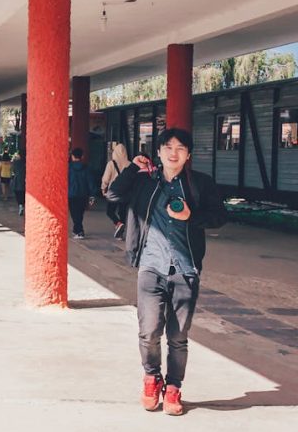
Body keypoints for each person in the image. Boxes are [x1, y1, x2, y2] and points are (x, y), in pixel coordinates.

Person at [106, 128, 227, 416]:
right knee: (149, 331)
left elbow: (220, 216)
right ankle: (152, 377)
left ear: (188, 154)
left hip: (185, 268)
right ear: (159, 152)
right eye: (168, 147)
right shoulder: (144, 181)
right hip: (151, 266)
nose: (174, 153)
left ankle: (173, 387)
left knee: (178, 336)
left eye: (180, 148)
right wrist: (132, 169)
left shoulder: (200, 183)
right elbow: (112, 194)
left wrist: (191, 216)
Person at [101, 143, 130, 239]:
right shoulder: (130, 164)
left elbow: (106, 178)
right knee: (122, 212)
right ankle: (120, 235)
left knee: (110, 211)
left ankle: (118, 223)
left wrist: (103, 188)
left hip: (114, 191)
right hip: (125, 192)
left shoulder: (111, 164)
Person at [68, 147, 97, 238]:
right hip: (84, 194)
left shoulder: (69, 168)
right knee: (80, 213)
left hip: (71, 194)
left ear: (72, 156)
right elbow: (91, 182)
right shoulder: (87, 168)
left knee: (74, 213)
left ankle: (79, 231)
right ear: (82, 156)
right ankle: (76, 229)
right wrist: (92, 195)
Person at [11, 152, 26, 216]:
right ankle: (22, 205)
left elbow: (13, 170)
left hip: (17, 180)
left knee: (17, 193)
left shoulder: (15, 163)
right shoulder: (25, 163)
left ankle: (20, 205)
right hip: (24, 180)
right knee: (23, 193)